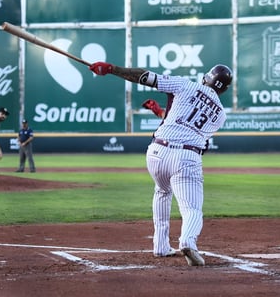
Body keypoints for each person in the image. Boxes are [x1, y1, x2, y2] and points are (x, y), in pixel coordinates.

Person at [90, 61, 233, 266]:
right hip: (187, 156)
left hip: (156, 152)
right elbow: (191, 127)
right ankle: (187, 241)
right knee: (192, 209)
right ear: (225, 89)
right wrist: (161, 113)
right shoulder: (220, 114)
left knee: (162, 191)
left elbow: (144, 76)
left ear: (206, 77)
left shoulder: (185, 84)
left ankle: (160, 246)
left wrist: (112, 69)